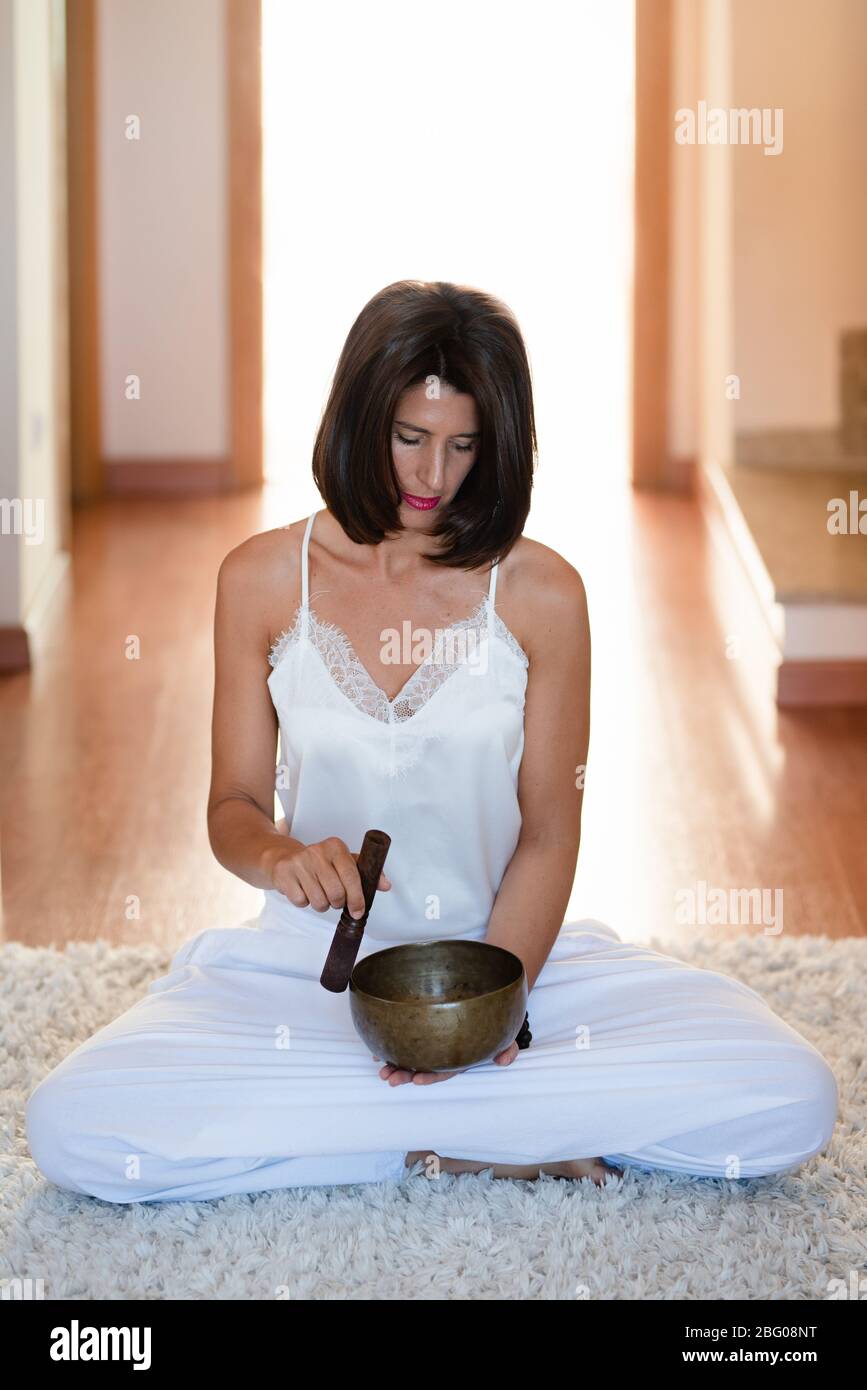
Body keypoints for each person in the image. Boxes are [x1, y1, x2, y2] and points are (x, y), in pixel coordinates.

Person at [25, 281, 838, 1202]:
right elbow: (232, 809)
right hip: (310, 981)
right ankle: (475, 1146)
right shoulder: (258, 579)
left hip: (508, 955)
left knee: (790, 1097)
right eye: (409, 437)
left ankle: (379, 1135)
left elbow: (546, 834)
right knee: (74, 1126)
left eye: (463, 446)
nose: (432, 476)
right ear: (360, 419)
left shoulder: (542, 595)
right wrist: (280, 855)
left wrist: (494, 1012)